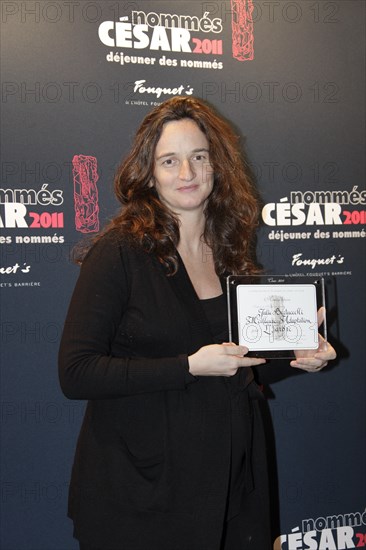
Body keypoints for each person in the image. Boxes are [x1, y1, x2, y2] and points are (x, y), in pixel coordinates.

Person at [58, 96, 336, 550]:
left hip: (230, 486)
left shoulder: (229, 250)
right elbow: (76, 372)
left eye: (198, 157)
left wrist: (297, 356)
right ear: (148, 173)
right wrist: (187, 366)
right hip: (142, 497)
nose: (186, 173)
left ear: (216, 166)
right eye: (169, 161)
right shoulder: (119, 252)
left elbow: (235, 365)